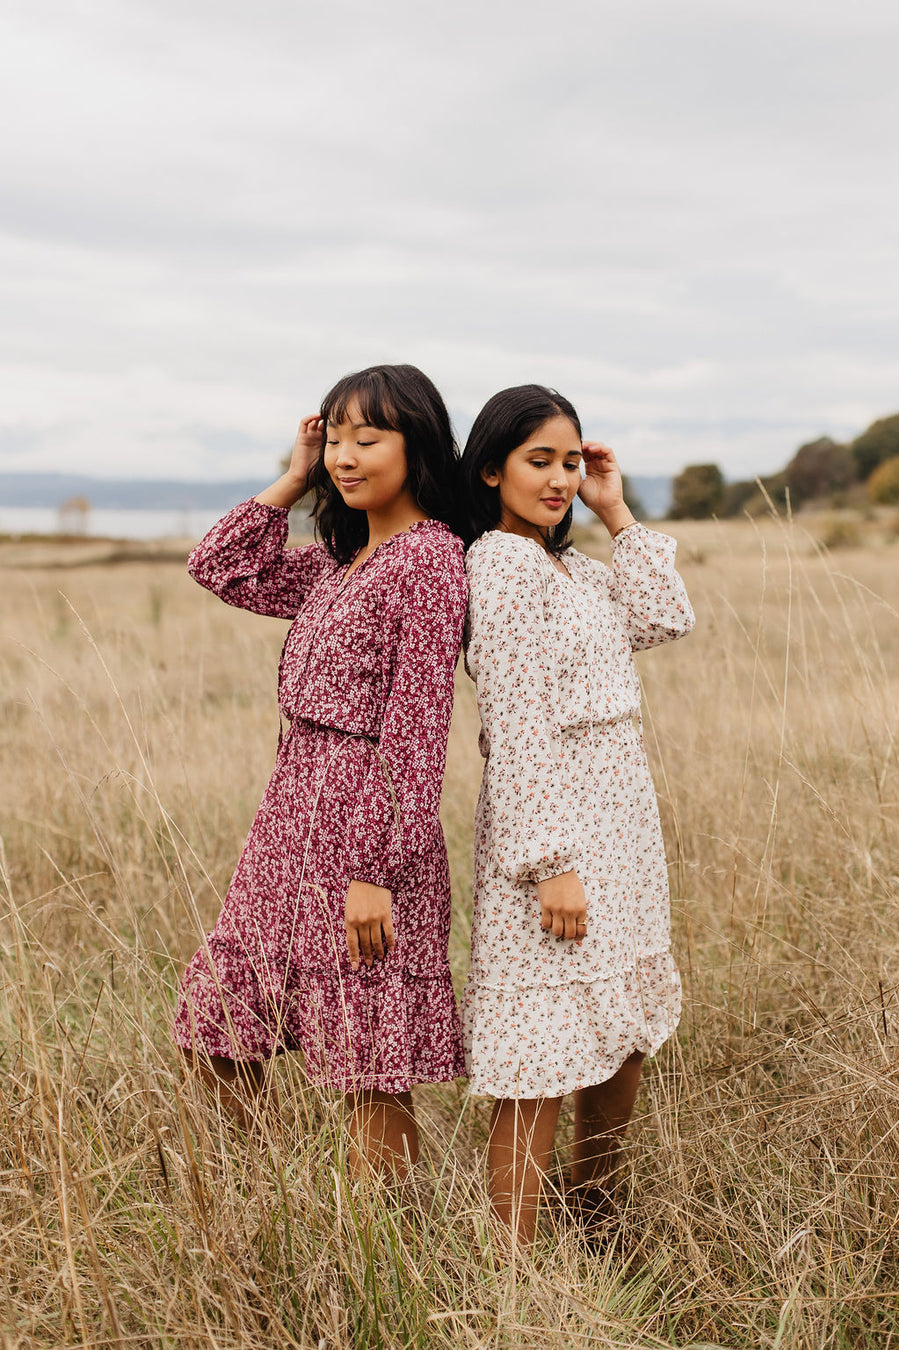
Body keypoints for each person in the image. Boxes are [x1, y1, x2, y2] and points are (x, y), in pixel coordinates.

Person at [173, 363, 468, 1175]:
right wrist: (293, 476)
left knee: (367, 1064)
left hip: (361, 835)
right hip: (286, 823)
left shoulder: (431, 561)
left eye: (367, 439)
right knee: (219, 1021)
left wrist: (376, 870)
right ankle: (265, 1208)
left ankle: (387, 1255)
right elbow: (220, 567)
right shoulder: (338, 563)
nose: (345, 455)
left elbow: (416, 731)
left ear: (420, 447)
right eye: (335, 438)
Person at [459, 384, 695, 1241]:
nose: (559, 479)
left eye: (570, 460)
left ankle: (595, 1217)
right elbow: (517, 724)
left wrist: (615, 510)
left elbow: (666, 616)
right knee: (541, 1050)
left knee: (620, 1032)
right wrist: (548, 862)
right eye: (539, 462)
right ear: (491, 469)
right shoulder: (502, 567)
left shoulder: (574, 568)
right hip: (553, 829)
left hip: (622, 822)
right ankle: (513, 1269)